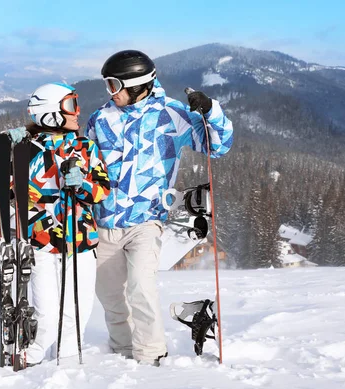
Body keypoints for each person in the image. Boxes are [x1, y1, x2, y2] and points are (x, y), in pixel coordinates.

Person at [85, 50, 234, 366]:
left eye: (114, 85)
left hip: (146, 221)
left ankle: (152, 354)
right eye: (107, 85)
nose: (110, 92)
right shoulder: (100, 119)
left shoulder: (172, 115)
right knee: (110, 295)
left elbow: (216, 146)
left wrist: (211, 111)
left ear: (137, 85)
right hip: (104, 221)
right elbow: (86, 168)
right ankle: (122, 351)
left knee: (141, 287)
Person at [8, 82, 110, 365]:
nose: (78, 112)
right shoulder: (27, 151)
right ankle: (34, 353)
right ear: (50, 113)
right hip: (42, 242)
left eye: (76, 103)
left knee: (78, 309)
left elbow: (103, 189)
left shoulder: (84, 147)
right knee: (49, 312)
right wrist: (11, 152)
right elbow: (12, 192)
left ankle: (66, 360)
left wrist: (82, 186)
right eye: (70, 105)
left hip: (80, 241)